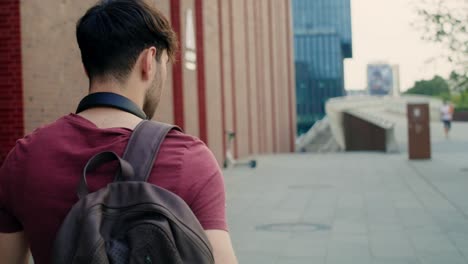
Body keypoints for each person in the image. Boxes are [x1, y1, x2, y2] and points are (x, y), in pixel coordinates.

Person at [0, 1, 238, 263]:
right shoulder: (190, 159)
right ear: (149, 61)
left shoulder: (25, 157)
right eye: (165, 63)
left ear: (87, 66)